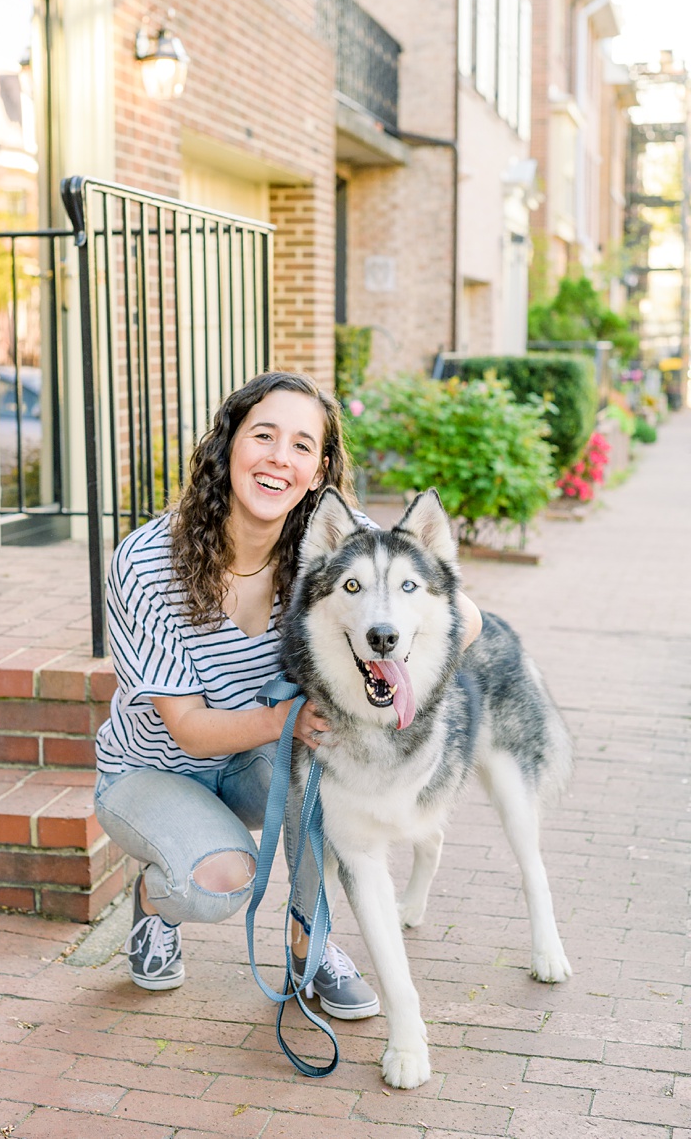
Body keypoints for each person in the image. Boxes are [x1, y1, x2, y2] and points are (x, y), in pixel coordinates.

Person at [95, 371, 482, 1014]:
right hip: (153, 769)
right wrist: (293, 718)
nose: (281, 458)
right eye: (264, 436)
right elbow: (187, 727)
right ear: (227, 446)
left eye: (303, 445)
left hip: (261, 752)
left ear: (320, 467)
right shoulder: (145, 562)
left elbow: (460, 615)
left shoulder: (331, 536)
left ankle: (312, 947)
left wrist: (400, 679)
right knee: (221, 883)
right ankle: (154, 901)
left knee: (332, 793)